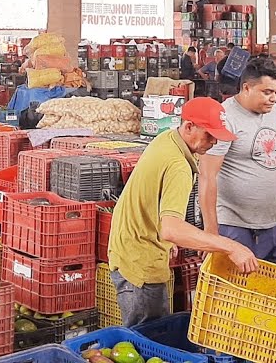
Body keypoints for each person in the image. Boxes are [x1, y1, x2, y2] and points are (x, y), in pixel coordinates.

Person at [107, 97, 259, 327]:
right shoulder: (178, 166)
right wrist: (231, 247)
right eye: (209, 134)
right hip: (139, 261)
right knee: (147, 337)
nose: (214, 141)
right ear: (189, 127)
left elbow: (154, 201)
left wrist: (171, 239)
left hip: (129, 245)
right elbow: (171, 228)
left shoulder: (167, 139)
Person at [200, 58, 276, 268]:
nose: (273, 98)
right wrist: (211, 234)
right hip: (236, 226)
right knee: (240, 292)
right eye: (266, 92)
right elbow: (207, 176)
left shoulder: (274, 112)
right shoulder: (224, 118)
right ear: (246, 88)